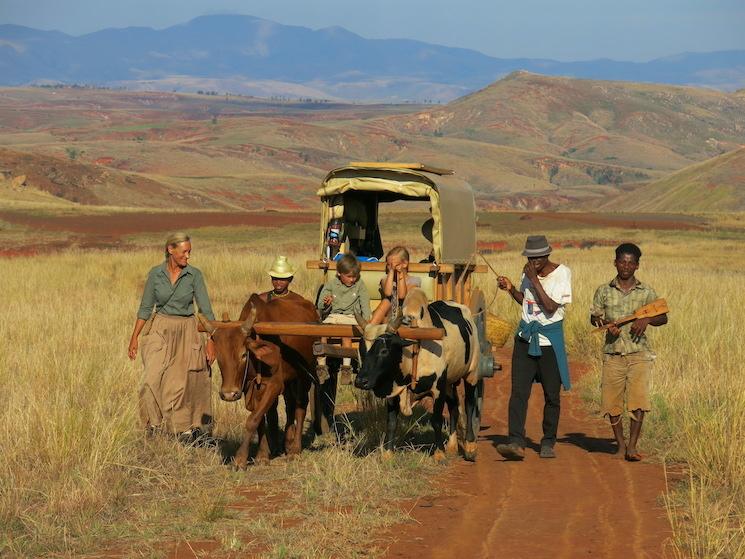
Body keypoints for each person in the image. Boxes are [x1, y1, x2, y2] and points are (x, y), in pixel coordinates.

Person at [128, 232, 216, 442]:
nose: (188, 256)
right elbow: (145, 308)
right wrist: (134, 338)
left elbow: (205, 310)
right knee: (150, 380)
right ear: (171, 250)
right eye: (184, 251)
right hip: (160, 327)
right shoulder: (155, 274)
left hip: (187, 329)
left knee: (178, 384)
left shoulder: (194, 275)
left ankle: (183, 429)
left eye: (189, 252)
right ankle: (153, 424)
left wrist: (212, 341)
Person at [495, 235, 572, 460]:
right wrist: (510, 288)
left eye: (537, 258)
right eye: (530, 257)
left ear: (547, 255)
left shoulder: (562, 274)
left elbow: (549, 307)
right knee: (518, 393)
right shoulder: (527, 271)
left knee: (552, 395)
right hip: (525, 339)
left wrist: (534, 280)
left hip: (549, 342)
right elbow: (526, 300)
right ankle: (516, 442)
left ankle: (548, 442)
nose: (533, 262)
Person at [590, 243, 667, 461]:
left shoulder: (647, 292)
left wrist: (647, 319)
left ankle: (632, 447)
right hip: (613, 353)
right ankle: (620, 446)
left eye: (630, 262)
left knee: (639, 401)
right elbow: (595, 318)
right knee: (612, 403)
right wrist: (605, 324)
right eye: (622, 261)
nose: (626, 266)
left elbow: (663, 317)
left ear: (637, 266)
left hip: (639, 354)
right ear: (615, 263)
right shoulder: (603, 291)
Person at [316, 253, 371, 384]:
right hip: (333, 317)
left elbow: (365, 302)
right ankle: (321, 366)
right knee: (321, 333)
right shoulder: (331, 284)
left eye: (355, 276)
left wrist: (367, 320)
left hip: (351, 317)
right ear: (339, 273)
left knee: (346, 334)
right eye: (349, 276)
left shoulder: (359, 285)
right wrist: (326, 303)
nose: (353, 279)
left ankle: (346, 368)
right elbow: (320, 305)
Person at [371, 246, 421, 324]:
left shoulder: (414, 281)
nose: (391, 267)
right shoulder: (385, 280)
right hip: (388, 317)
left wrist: (400, 274)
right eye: (388, 265)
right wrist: (391, 272)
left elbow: (402, 296)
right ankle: (370, 327)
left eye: (395, 265)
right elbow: (388, 293)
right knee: (386, 301)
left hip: (406, 315)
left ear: (404, 264)